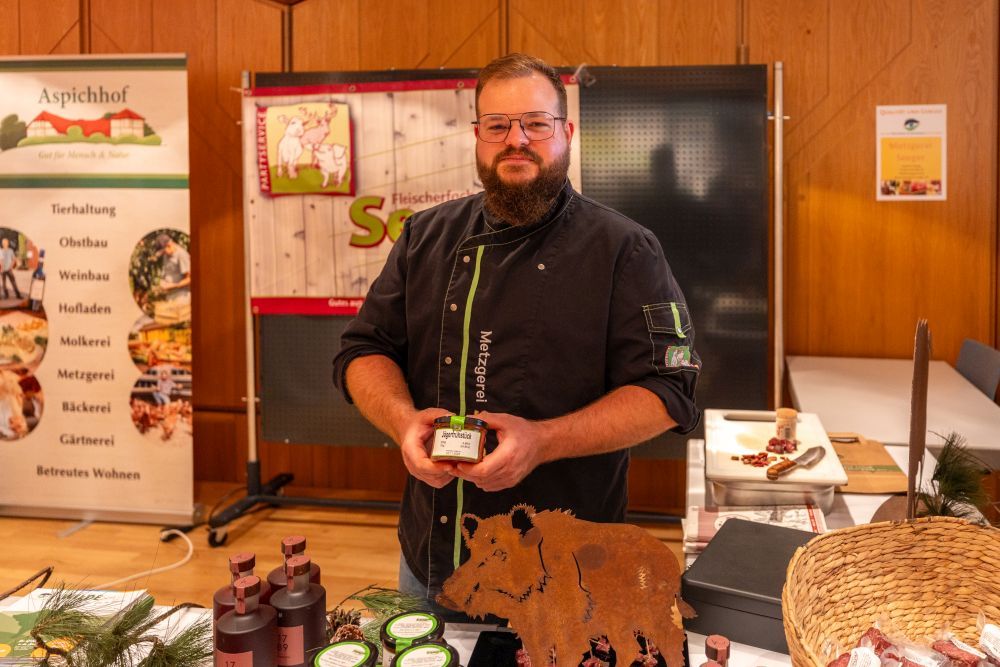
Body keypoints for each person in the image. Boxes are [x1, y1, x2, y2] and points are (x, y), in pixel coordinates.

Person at [332, 53, 701, 612]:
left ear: (566, 132)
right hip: (430, 557)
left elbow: (669, 392)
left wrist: (543, 441)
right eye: (497, 126)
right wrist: (403, 423)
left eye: (535, 123)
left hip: (568, 571)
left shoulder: (625, 249)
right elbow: (364, 350)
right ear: (477, 135)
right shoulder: (425, 237)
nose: (516, 140)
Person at [154, 233, 191, 302]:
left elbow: (190, 279)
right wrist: (162, 282)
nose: (163, 253)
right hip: (170, 296)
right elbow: (167, 273)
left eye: (164, 251)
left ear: (169, 245)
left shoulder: (181, 255)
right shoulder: (166, 256)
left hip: (181, 296)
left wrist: (174, 285)